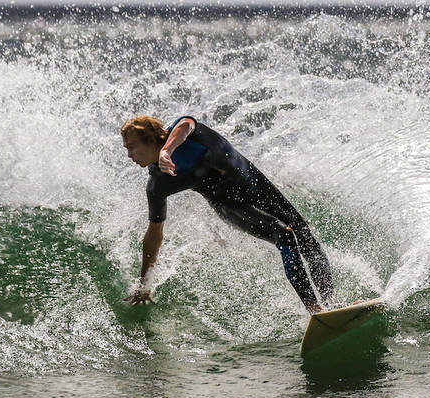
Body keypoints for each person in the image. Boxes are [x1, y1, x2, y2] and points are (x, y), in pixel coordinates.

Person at [120, 114, 334, 312]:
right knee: (285, 235)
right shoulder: (158, 184)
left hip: (254, 183)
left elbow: (186, 125)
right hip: (230, 205)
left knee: (304, 235)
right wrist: (144, 283)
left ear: (150, 139)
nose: (129, 155)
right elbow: (154, 234)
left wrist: (167, 151)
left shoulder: (185, 132)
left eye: (132, 147)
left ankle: (332, 305)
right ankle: (314, 309)